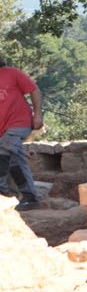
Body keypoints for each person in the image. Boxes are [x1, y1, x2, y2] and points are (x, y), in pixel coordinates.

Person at [0, 55, 44, 210]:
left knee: (6, 148)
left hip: (19, 123)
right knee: (11, 157)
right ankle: (20, 196)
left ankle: (20, 195)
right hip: (2, 131)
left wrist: (38, 114)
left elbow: (34, 90)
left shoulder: (11, 73)